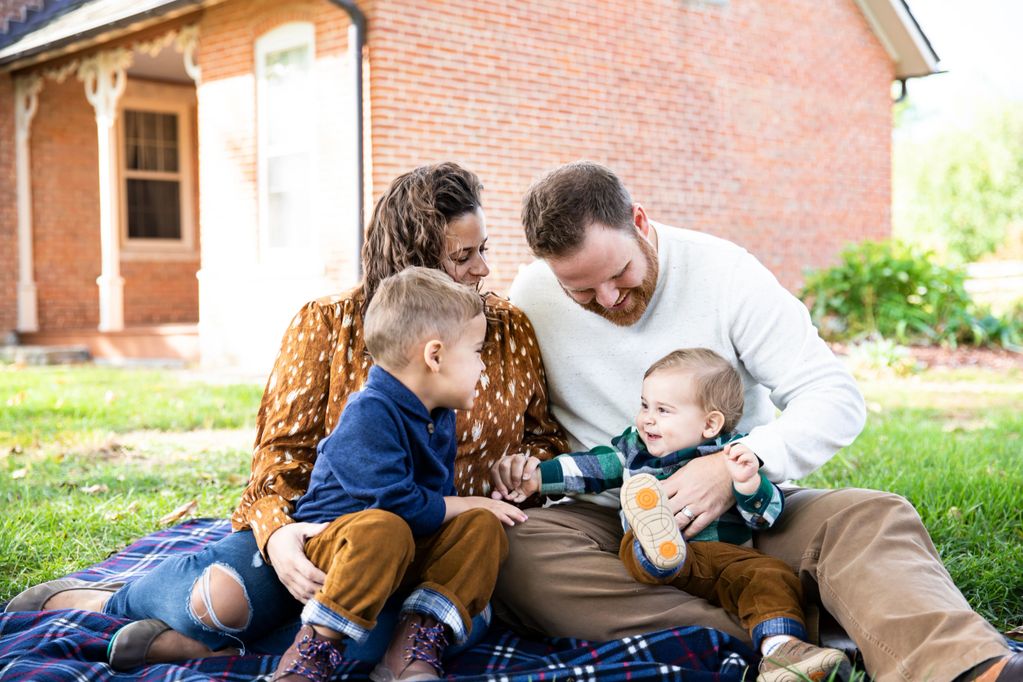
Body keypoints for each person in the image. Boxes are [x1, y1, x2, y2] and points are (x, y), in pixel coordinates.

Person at [4, 162, 567, 670]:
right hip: (325, 534)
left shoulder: (507, 328)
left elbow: (544, 437)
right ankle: (108, 600)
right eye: (462, 256)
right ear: (412, 266)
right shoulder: (328, 324)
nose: (484, 270)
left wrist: (525, 468)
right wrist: (279, 539)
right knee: (219, 599)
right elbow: (279, 459)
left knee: (384, 634)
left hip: (435, 552)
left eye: (483, 248)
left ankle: (200, 650)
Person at [493, 161, 1021, 682]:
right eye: (581, 292)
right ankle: (793, 636)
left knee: (869, 516)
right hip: (611, 522)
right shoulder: (533, 295)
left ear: (640, 221)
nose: (607, 299)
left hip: (747, 517)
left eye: (618, 275)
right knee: (513, 553)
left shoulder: (726, 274)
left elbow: (832, 396)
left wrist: (730, 469)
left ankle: (970, 667)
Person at [492, 348, 850, 681]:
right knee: (637, 540)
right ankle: (656, 545)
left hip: (719, 558)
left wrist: (746, 484)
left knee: (768, 574)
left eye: (663, 411)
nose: (647, 419)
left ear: (710, 425)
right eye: (645, 405)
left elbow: (766, 515)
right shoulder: (634, 448)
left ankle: (782, 653)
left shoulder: (731, 455)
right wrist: (540, 477)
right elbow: (593, 467)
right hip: (649, 556)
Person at [271, 267, 524, 682]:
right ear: (435, 355)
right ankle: (317, 646)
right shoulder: (369, 412)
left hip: (402, 549)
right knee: (385, 528)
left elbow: (431, 510)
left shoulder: (437, 414)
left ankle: (415, 638)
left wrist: (473, 511)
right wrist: (466, 502)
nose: (483, 367)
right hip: (341, 550)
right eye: (477, 351)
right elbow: (397, 505)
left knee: (481, 526)